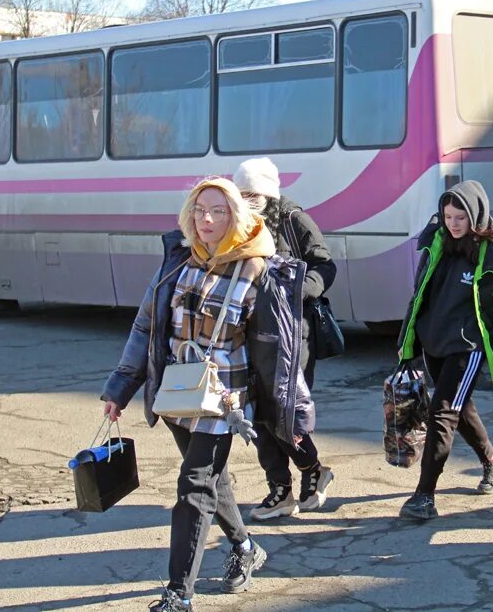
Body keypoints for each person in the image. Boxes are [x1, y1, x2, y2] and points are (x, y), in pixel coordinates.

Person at [102, 177, 276, 611]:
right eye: (200, 210)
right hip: (178, 389)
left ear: (235, 215)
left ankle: (179, 594)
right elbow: (147, 326)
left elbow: (279, 349)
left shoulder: (257, 268)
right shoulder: (179, 260)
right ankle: (246, 546)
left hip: (224, 396)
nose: (207, 219)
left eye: (217, 210)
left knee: (193, 485)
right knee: (211, 479)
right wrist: (120, 389)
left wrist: (284, 411)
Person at [397, 180, 493, 520]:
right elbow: (419, 293)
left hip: (469, 346)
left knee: (443, 411)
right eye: (448, 216)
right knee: (460, 410)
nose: (453, 223)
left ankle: (424, 495)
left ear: (476, 214)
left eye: (460, 216)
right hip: (434, 340)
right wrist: (408, 340)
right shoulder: (437, 240)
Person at [233, 157, 337, 520]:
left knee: (285, 411)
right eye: (240, 193)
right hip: (250, 332)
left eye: (252, 193)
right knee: (259, 414)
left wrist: (296, 293)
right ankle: (279, 489)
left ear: (267, 192)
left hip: (294, 333)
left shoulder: (292, 219)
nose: (246, 200)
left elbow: (325, 264)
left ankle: (312, 469)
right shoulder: (237, 222)